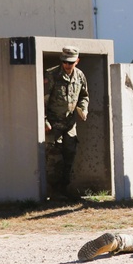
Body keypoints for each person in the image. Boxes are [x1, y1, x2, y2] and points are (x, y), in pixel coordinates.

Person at [43, 46, 90, 200]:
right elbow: (42, 99)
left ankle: (64, 189)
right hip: (54, 124)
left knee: (69, 155)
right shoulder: (51, 75)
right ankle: (53, 192)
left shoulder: (80, 76)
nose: (67, 65)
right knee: (54, 159)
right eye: (64, 62)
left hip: (69, 125)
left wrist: (83, 108)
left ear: (77, 61)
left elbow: (84, 95)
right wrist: (44, 120)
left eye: (70, 62)